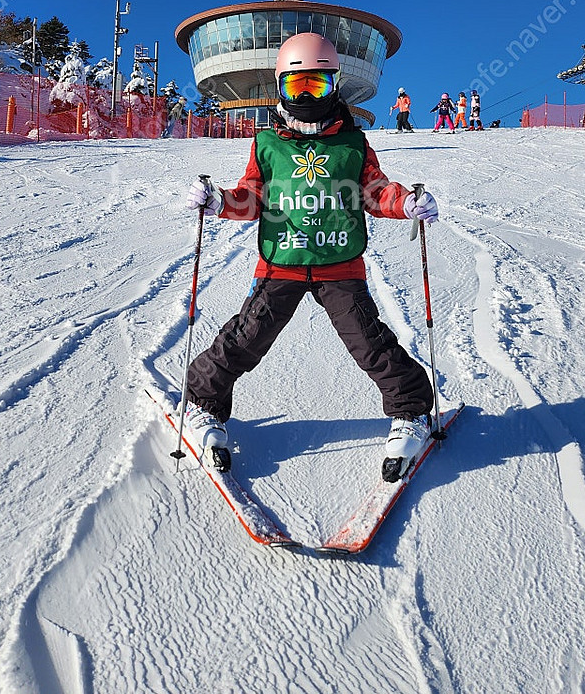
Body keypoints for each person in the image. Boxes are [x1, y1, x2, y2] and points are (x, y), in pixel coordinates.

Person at [183, 34, 439, 483]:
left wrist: (406, 202)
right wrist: (219, 200)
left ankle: (411, 409)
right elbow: (252, 197)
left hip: (339, 263)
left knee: (369, 342)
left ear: (334, 86)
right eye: (296, 86)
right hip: (281, 261)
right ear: (280, 86)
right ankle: (203, 402)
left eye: (316, 86)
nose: (305, 97)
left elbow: (375, 192)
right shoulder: (267, 145)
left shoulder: (353, 145)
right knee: (246, 337)